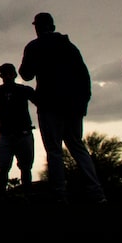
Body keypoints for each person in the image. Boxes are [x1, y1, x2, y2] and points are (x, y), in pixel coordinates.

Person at [19, 14, 104, 202]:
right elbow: (84, 75)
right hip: (73, 105)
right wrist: (83, 102)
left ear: (37, 28)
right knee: (77, 147)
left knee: (54, 150)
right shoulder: (69, 47)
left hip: (49, 105)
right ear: (53, 25)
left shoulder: (34, 47)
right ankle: (95, 191)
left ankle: (60, 193)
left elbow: (25, 74)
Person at [0, 63, 37, 194]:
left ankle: (26, 194)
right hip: (8, 134)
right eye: (5, 74)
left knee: (25, 167)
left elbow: (39, 102)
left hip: (22, 133)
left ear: (14, 75)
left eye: (9, 74)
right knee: (4, 167)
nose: (7, 77)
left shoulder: (24, 90)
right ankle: (2, 195)